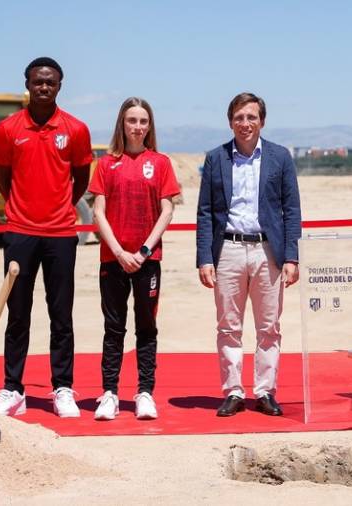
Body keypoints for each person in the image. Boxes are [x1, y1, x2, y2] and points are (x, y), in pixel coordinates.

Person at [0, 57, 93, 418]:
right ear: (27, 84)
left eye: (50, 82)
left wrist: (60, 206)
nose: (43, 87)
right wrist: (23, 210)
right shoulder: (7, 129)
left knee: (61, 315)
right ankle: (13, 389)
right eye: (37, 82)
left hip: (62, 233)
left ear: (60, 85)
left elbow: (80, 179)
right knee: (17, 314)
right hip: (20, 233)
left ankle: (62, 388)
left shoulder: (76, 129)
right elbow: (4, 179)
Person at [196, 92, 301, 417]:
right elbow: (204, 211)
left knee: (269, 326)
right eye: (239, 118)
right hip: (227, 250)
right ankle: (233, 391)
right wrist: (204, 258)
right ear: (231, 122)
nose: (245, 123)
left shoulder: (279, 157)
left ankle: (265, 391)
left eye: (251, 117)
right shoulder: (216, 158)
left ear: (262, 121)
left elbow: (291, 208)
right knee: (228, 326)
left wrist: (292, 256)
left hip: (268, 251)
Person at [88, 97, 180, 421]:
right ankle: (109, 393)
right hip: (113, 259)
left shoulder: (161, 163)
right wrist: (119, 252)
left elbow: (167, 209)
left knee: (146, 327)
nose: (137, 127)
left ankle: (144, 393)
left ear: (149, 125)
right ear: (122, 124)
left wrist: (142, 251)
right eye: (132, 121)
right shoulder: (105, 164)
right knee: (113, 329)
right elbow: (98, 211)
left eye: (143, 121)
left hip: (147, 260)